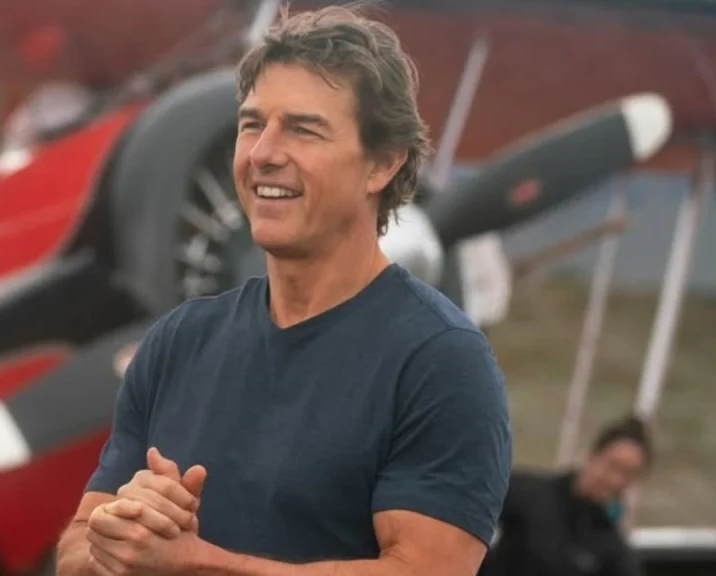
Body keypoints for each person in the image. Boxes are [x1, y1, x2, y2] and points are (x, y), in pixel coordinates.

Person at [55, 5, 512, 575]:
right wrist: (120, 537)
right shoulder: (178, 341)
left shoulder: (441, 362)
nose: (263, 153)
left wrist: (194, 563)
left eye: (303, 129)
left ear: (382, 164)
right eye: (252, 125)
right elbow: (76, 549)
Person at [479, 415, 652, 576]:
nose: (615, 480)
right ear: (592, 456)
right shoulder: (529, 495)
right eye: (613, 465)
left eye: (628, 474)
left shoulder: (613, 549)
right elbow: (471, 504)